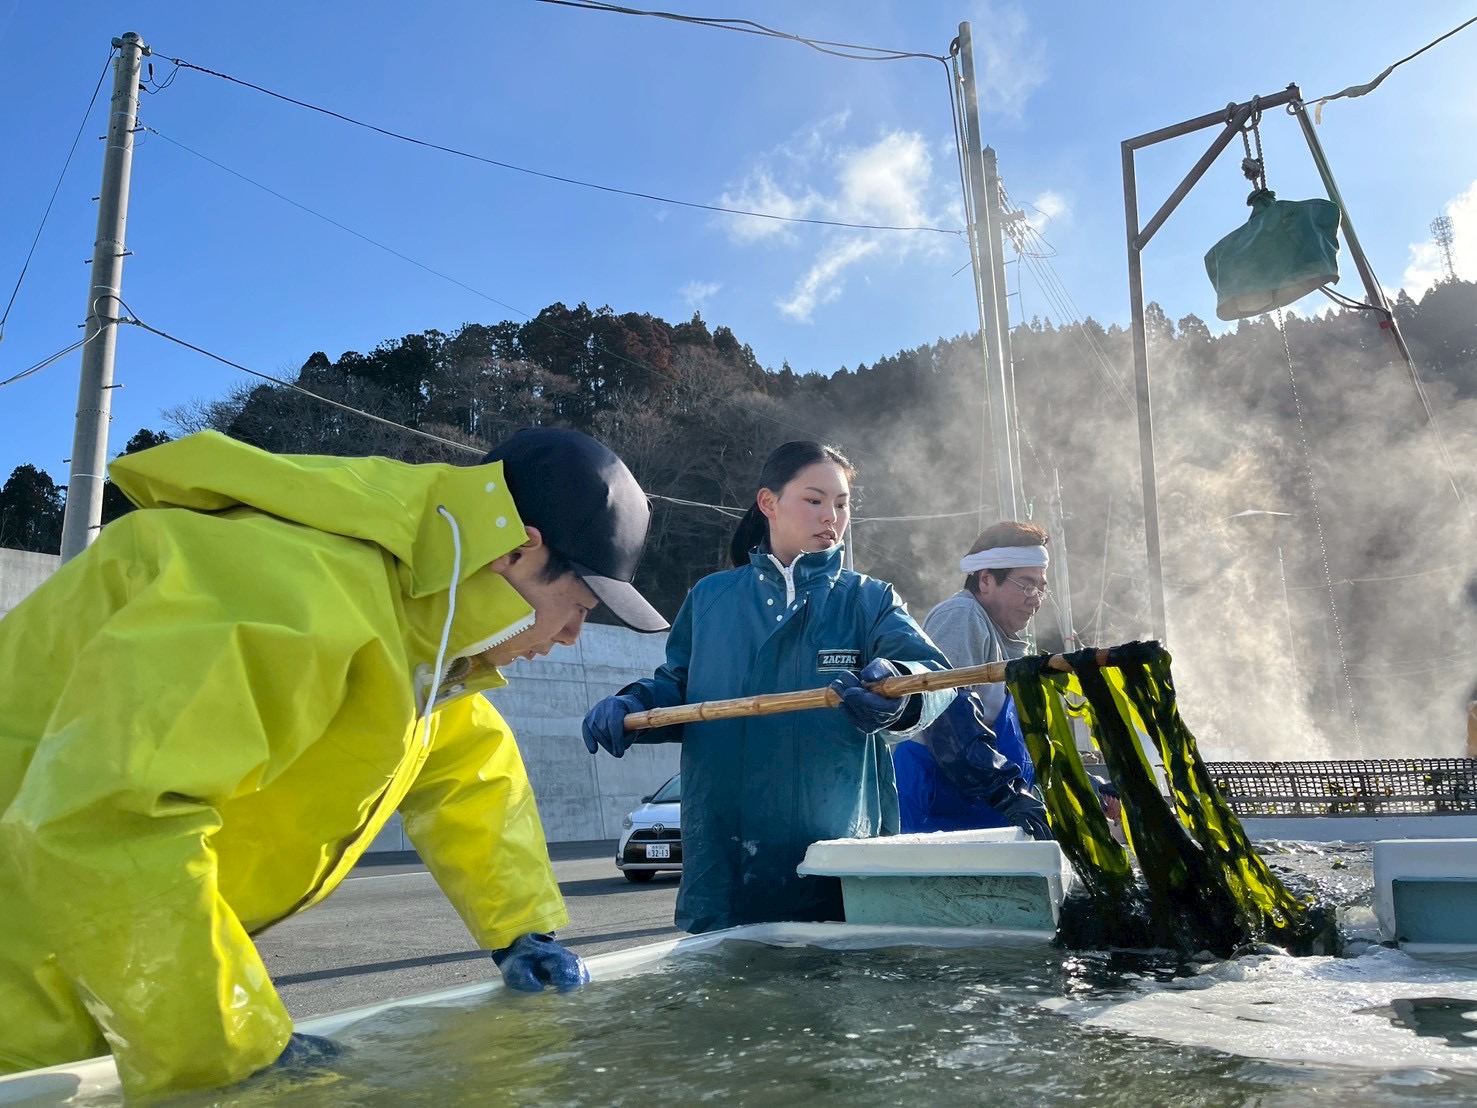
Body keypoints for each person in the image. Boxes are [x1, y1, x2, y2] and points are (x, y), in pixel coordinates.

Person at [0, 427, 667, 1098]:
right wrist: (236, 1049)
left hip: (92, 949)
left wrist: (523, 931)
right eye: (578, 606)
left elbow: (466, 772)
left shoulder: (414, 621)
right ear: (519, 551)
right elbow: (109, 821)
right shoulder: (279, 586)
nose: (571, 635)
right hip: (24, 967)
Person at [581, 441, 953, 934]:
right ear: (768, 503)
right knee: (726, 976)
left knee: (837, 973)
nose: (832, 517)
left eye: (842, 504)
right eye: (814, 500)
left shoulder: (868, 600)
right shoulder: (710, 599)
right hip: (724, 853)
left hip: (834, 846)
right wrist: (635, 705)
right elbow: (679, 686)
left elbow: (935, 675)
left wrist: (900, 693)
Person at [895, 521, 1111, 835]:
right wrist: (1008, 795)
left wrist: (1081, 782)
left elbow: (1023, 744)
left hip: (983, 806)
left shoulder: (1007, 642)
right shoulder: (962, 616)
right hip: (940, 803)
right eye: (1026, 585)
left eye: (1041, 588)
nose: (1036, 599)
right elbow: (949, 724)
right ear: (985, 580)